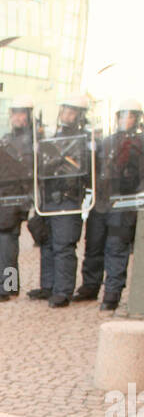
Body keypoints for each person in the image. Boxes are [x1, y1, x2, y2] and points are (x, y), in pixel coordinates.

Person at [81, 99, 143, 312]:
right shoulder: (106, 141)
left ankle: (112, 294)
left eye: (131, 116)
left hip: (124, 204)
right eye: (123, 115)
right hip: (102, 202)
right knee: (93, 245)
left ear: (137, 119)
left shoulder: (140, 143)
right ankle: (89, 287)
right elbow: (95, 169)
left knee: (116, 248)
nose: (126, 120)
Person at [29, 95, 90, 308]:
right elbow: (43, 167)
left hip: (68, 199)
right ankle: (48, 286)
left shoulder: (84, 141)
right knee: (47, 243)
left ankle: (63, 292)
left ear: (80, 116)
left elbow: (81, 170)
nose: (66, 115)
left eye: (72, 112)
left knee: (63, 246)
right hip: (49, 199)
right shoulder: (54, 138)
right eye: (65, 111)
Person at [0, 96, 35, 302]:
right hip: (5, 196)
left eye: (21, 113)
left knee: (6, 242)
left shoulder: (33, 141)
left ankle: (5, 288)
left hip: (17, 196)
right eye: (14, 113)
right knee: (4, 242)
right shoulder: (8, 138)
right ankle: (12, 285)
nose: (17, 117)